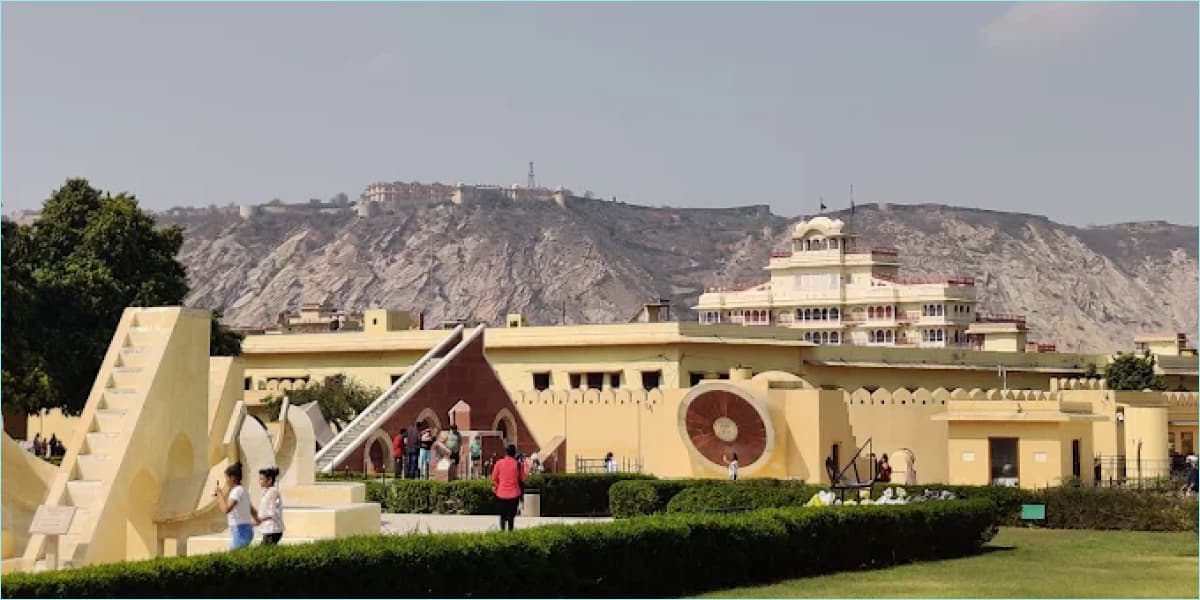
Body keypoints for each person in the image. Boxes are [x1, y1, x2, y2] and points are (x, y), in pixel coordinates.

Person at [214, 462, 254, 550]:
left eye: (227, 478)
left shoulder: (236, 492)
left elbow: (226, 509)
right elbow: (250, 508)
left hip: (240, 531)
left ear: (232, 478)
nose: (226, 481)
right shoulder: (243, 490)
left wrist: (219, 494)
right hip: (245, 529)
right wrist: (257, 519)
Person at [491, 444, 524, 531]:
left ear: (506, 452)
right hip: (514, 494)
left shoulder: (499, 463)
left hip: (501, 494)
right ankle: (510, 535)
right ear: (515, 453)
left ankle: (502, 533)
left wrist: (498, 486)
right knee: (511, 517)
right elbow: (522, 478)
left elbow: (494, 478)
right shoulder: (518, 464)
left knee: (502, 516)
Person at [253, 467, 285, 545]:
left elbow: (272, 513)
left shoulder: (273, 492)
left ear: (269, 480)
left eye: (261, 479)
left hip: (273, 530)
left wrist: (258, 520)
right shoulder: (268, 492)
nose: (259, 481)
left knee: (263, 553)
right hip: (268, 530)